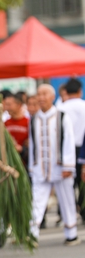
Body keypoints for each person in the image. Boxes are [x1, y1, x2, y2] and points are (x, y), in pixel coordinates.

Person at [29, 84, 79, 246]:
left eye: (45, 94)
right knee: (37, 200)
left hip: (60, 166)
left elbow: (69, 141)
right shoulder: (34, 119)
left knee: (67, 200)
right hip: (40, 167)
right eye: (39, 94)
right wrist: (32, 165)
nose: (41, 97)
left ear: (52, 96)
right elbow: (32, 144)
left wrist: (68, 166)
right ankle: (32, 234)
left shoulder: (62, 116)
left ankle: (71, 233)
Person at [59, 78, 85, 219]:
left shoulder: (61, 108)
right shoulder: (84, 105)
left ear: (66, 92)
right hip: (83, 147)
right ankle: (83, 208)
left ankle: (68, 212)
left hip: (66, 150)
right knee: (83, 181)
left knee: (67, 184)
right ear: (80, 91)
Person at [4, 93, 29, 168]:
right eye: (6, 105)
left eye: (9, 105)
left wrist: (22, 149)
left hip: (25, 165)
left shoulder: (28, 123)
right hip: (10, 165)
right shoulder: (5, 123)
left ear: (19, 105)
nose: (6, 107)